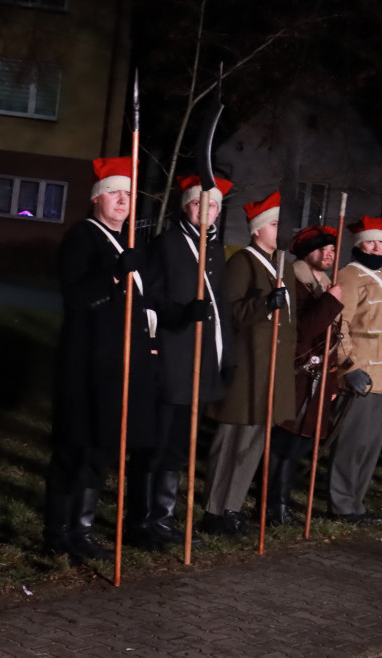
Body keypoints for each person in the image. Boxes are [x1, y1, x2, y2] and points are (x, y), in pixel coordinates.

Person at [44, 156, 158, 563]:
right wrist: (112, 274)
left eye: (129, 195)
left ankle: (83, 528)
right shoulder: (83, 237)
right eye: (115, 193)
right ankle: (57, 530)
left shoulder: (130, 241)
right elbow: (76, 297)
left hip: (122, 363)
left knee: (103, 447)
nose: (123, 201)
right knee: (76, 445)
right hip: (87, 362)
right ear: (97, 199)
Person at [133, 174, 234, 548]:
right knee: (158, 442)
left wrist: (228, 357)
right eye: (197, 205)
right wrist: (180, 313)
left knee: (178, 445)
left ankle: (163, 516)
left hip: (200, 358)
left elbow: (221, 309)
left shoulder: (216, 249)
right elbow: (151, 296)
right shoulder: (167, 243)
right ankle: (143, 520)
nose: (204, 212)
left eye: (212, 207)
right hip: (171, 356)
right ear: (185, 206)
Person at [202, 191, 295, 536]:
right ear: (257, 230)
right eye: (274, 224)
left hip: (269, 370)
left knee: (253, 445)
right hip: (246, 369)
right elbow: (229, 312)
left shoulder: (284, 265)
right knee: (231, 444)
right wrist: (263, 305)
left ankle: (232, 507)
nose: (279, 231)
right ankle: (214, 509)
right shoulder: (243, 262)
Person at [328, 215, 382, 526]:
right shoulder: (350, 276)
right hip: (361, 375)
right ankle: (342, 504)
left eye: (381, 242)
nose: (376, 247)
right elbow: (338, 325)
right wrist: (349, 367)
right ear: (359, 245)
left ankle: (356, 502)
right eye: (370, 242)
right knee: (352, 443)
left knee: (370, 446)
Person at [271, 225, 344, 526]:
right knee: (284, 444)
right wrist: (331, 302)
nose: (329, 253)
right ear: (305, 252)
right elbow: (304, 328)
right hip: (297, 376)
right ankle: (274, 506)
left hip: (319, 377)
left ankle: (281, 502)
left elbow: (333, 337)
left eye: (332, 249)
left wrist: (335, 380)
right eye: (321, 248)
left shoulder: (326, 285)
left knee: (302, 444)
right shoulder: (294, 283)